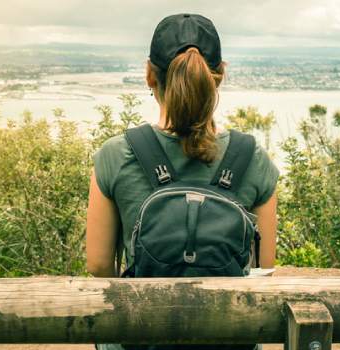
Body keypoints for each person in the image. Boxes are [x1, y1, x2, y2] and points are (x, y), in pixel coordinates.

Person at [86, 13, 279, 349]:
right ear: (220, 75)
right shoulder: (253, 157)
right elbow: (263, 268)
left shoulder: (116, 154)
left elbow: (100, 265)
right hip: (229, 341)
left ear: (149, 74)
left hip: (144, 339)